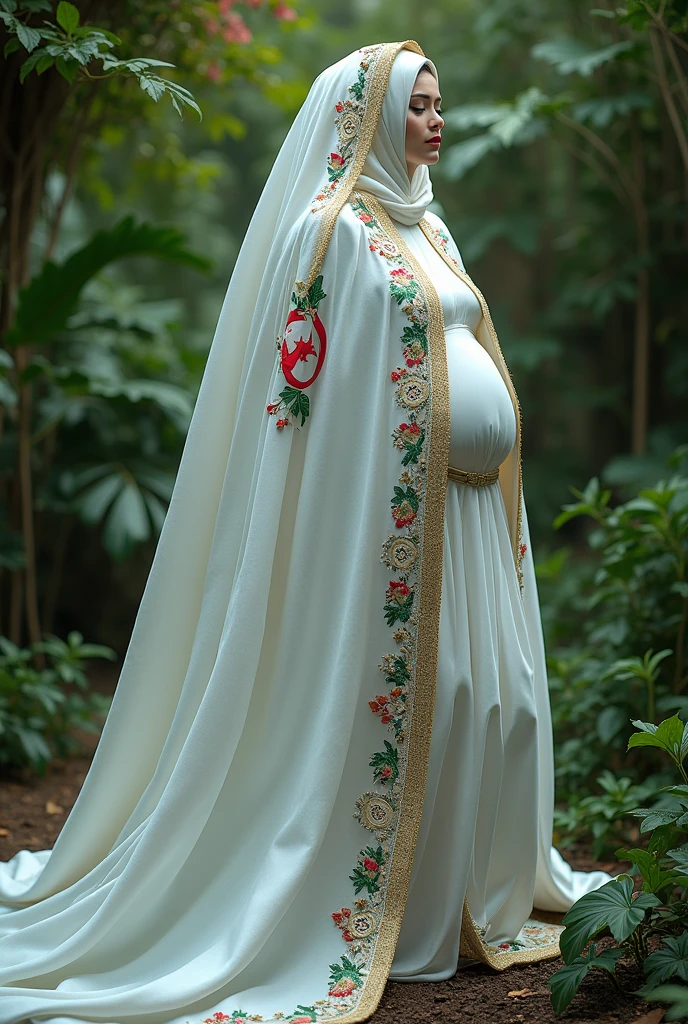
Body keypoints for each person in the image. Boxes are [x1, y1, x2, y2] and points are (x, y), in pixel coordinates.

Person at [0, 40, 613, 1024]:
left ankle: (466, 904)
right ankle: (379, 907)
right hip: (382, 532)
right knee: (432, 693)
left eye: (439, 104)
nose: (436, 121)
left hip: (459, 514)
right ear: (366, 117)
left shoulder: (430, 226)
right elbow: (309, 406)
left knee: (493, 697)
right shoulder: (326, 237)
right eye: (418, 106)